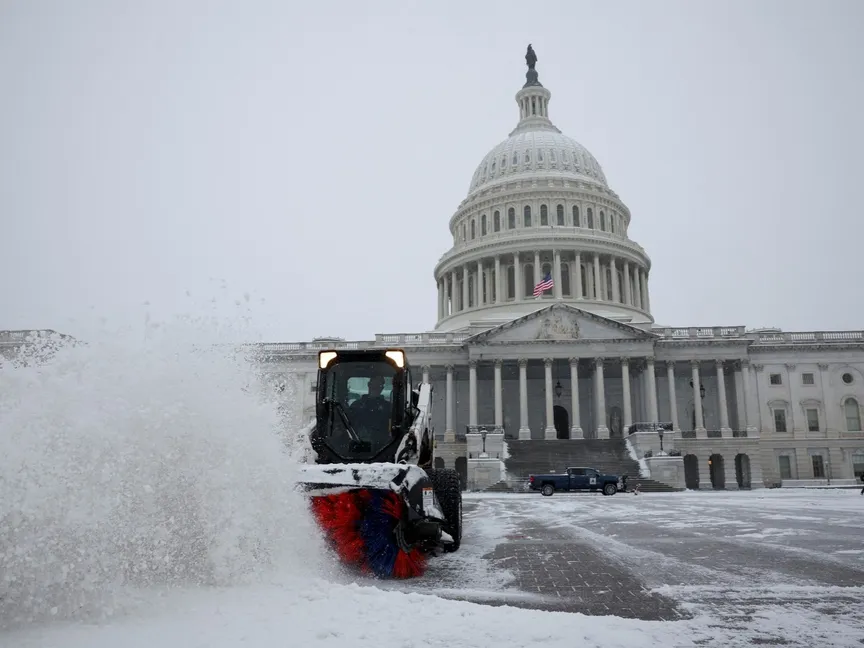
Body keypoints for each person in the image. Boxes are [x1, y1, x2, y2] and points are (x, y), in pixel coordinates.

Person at [348, 374, 392, 444]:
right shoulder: (356, 406)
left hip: (383, 446)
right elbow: (349, 425)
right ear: (369, 385)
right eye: (374, 385)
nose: (376, 388)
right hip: (358, 444)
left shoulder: (388, 407)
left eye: (379, 385)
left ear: (382, 388)